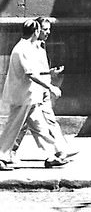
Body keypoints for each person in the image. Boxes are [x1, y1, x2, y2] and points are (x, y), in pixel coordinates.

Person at [0, 20, 69, 171]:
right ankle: (1, 156)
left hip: (29, 97)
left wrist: (49, 73)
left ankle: (51, 156)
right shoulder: (23, 48)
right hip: (22, 97)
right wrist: (50, 87)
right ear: (36, 31)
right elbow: (30, 74)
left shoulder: (25, 47)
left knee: (40, 127)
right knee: (13, 128)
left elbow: (32, 71)